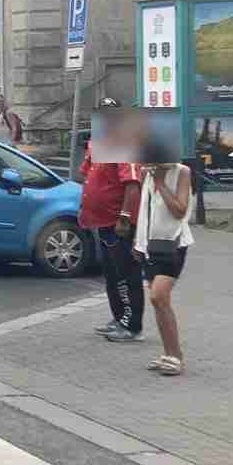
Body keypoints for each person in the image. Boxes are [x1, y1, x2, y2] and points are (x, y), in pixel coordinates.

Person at [81, 98, 145, 342]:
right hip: (101, 221)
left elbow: (132, 185)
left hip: (118, 223)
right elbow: (87, 175)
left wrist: (125, 217)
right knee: (111, 274)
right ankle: (119, 318)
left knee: (126, 273)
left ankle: (132, 325)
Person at [133, 160, 194, 375]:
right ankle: (168, 354)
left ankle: (176, 356)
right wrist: (138, 242)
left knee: (158, 296)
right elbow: (145, 211)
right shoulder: (146, 173)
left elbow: (180, 210)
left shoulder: (182, 172)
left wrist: (160, 182)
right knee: (159, 302)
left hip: (173, 243)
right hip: (151, 245)